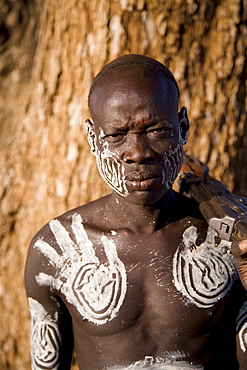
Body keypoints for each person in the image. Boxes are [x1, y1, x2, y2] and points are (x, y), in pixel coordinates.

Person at [25, 54, 247, 370]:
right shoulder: (57, 251)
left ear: (182, 128)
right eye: (116, 136)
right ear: (93, 139)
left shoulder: (234, 238)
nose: (138, 154)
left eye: (156, 131)